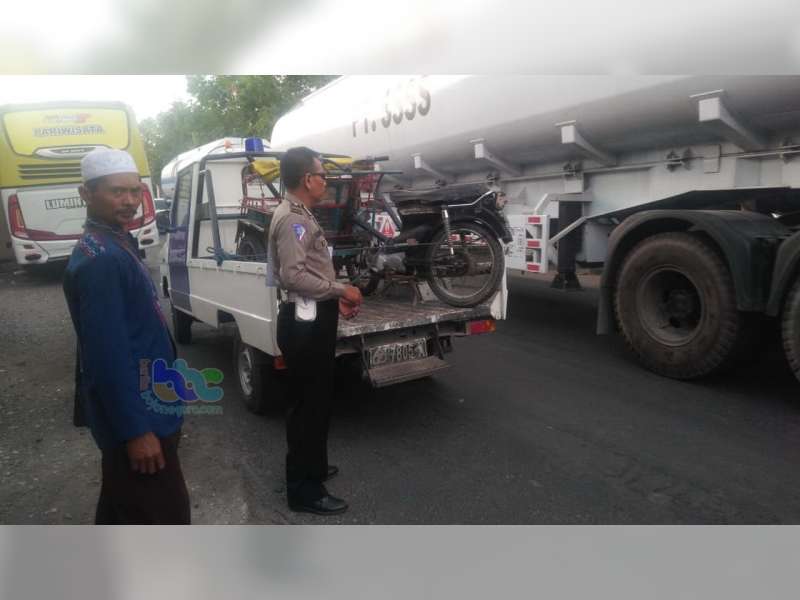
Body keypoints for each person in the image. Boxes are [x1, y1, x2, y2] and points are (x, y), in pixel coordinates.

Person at [63, 148, 190, 524]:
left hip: (151, 403)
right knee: (164, 516)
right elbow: (107, 357)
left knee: (123, 507)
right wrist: (137, 431)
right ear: (86, 194)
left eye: (136, 192)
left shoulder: (112, 240)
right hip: (141, 417)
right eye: (117, 192)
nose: (130, 201)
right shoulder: (102, 258)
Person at [268, 146, 363, 515]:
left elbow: (305, 272)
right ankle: (303, 490)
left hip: (311, 313)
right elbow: (291, 275)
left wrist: (328, 297)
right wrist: (341, 290)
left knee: (318, 399)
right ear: (308, 179)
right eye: (322, 175)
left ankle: (315, 467)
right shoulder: (294, 220)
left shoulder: (299, 213)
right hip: (304, 322)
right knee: (307, 406)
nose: (326, 181)